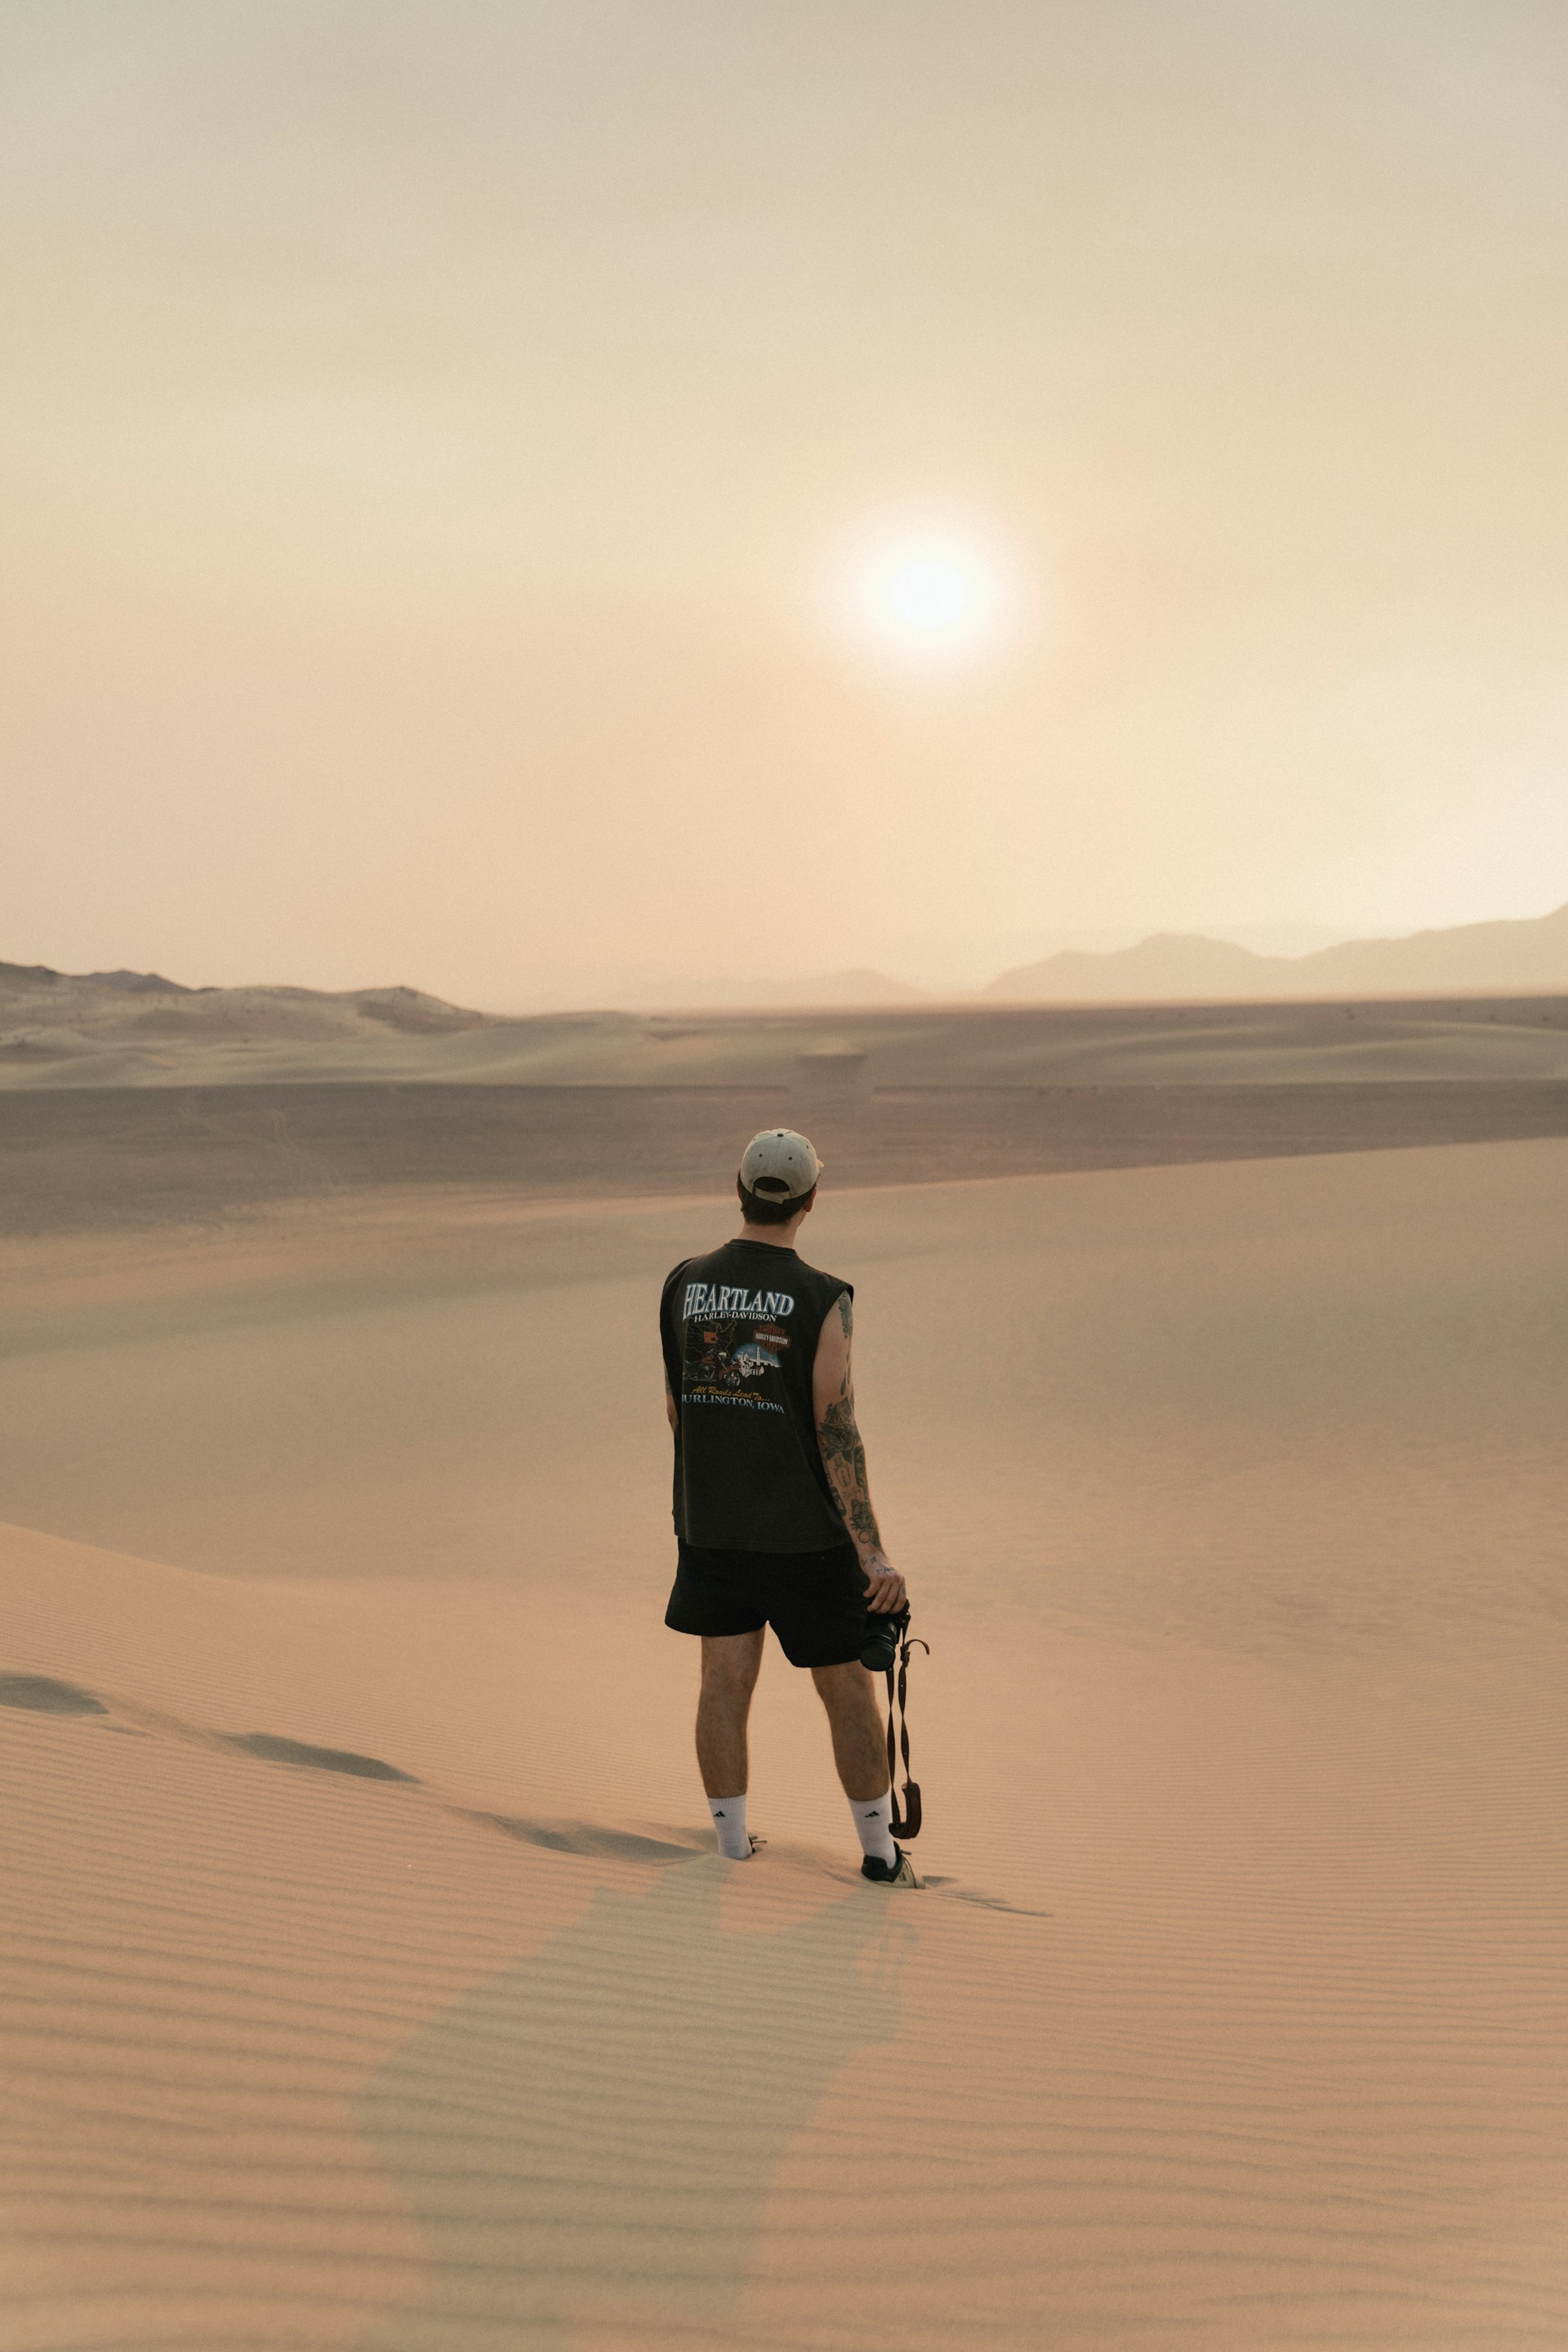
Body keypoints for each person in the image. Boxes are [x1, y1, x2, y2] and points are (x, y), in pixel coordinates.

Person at [660, 1127, 920, 1887]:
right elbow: (834, 1426)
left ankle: (731, 1847)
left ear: (737, 1188)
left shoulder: (683, 1283)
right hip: (807, 1536)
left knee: (723, 1683)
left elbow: (679, 1410)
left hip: (712, 1527)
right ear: (810, 1201)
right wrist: (871, 1553)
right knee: (845, 1689)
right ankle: (879, 1855)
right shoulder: (822, 1297)